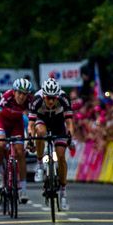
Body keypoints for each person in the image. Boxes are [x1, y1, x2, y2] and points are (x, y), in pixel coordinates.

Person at [28, 78, 76, 210]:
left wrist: (70, 136)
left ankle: (63, 192)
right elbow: (31, 124)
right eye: (48, 98)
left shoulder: (64, 98)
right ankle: (39, 165)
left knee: (61, 156)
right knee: (40, 132)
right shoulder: (36, 99)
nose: (50, 101)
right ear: (43, 96)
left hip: (58, 123)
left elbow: (69, 122)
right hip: (42, 120)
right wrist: (31, 138)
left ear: (57, 96)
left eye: (53, 98)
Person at [0, 77, 35, 204]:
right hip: (2, 121)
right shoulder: (7, 97)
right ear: (14, 92)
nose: (21, 97)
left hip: (16, 124)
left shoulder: (30, 101)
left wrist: (31, 139)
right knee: (1, 144)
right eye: (19, 93)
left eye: (24, 94)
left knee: (20, 152)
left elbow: (32, 122)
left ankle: (23, 189)